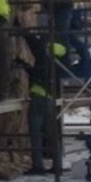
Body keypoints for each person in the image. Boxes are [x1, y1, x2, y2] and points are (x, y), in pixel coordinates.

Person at [20, 32, 68, 174]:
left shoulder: (44, 56)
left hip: (39, 97)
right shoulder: (60, 62)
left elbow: (32, 42)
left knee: (36, 134)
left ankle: (38, 167)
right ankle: (57, 166)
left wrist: (21, 28)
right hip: (50, 100)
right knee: (52, 134)